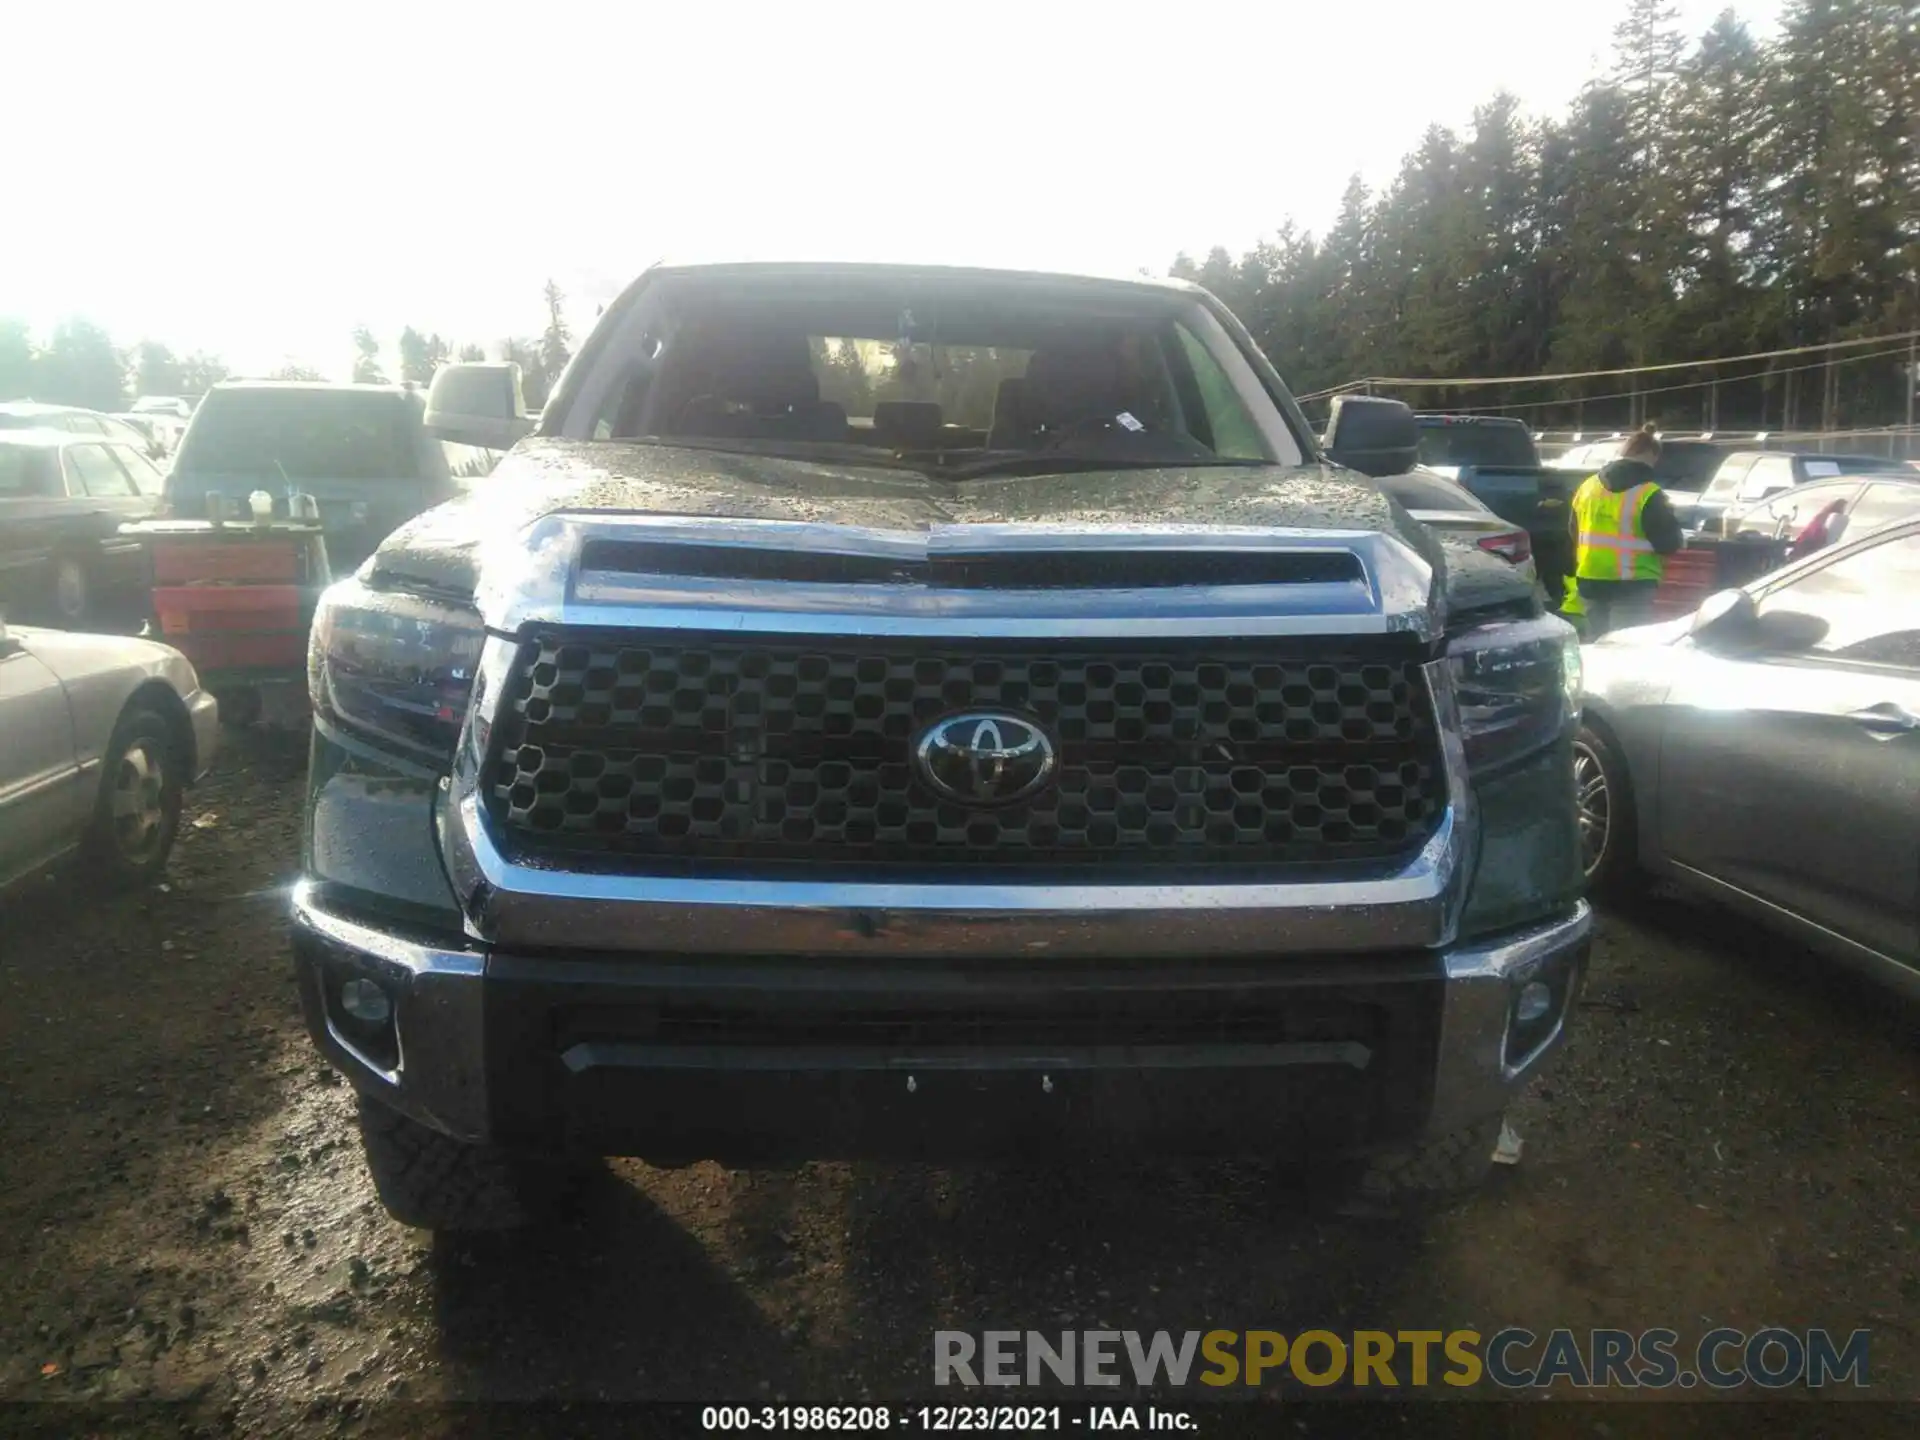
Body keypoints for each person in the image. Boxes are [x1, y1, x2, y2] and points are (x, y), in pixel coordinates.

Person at [1567, 424, 1685, 637]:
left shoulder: (1588, 486)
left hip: (1590, 579)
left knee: (1598, 647)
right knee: (1626, 648)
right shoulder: (1649, 493)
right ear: (1652, 455)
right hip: (1633, 584)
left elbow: (1573, 532)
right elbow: (1668, 544)